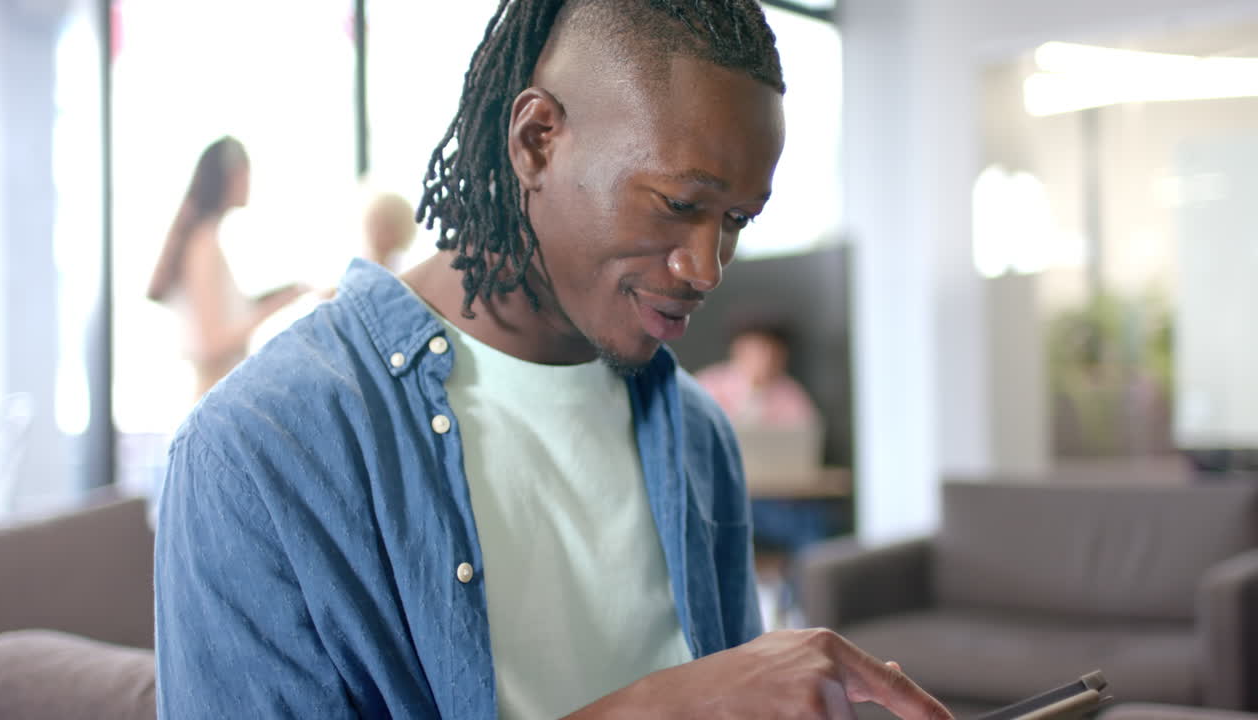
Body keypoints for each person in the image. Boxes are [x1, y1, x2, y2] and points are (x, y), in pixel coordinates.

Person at [155, 3, 952, 719]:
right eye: (680, 204)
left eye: (736, 219)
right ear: (537, 140)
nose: (708, 268)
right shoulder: (259, 451)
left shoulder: (698, 435)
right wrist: (668, 704)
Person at [146, 136, 308, 399]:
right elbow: (211, 343)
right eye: (246, 174)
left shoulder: (206, 240)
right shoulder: (203, 244)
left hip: (216, 395)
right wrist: (272, 308)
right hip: (212, 396)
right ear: (231, 176)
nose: (250, 184)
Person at [697, 320, 819, 427]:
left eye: (774, 352)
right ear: (738, 348)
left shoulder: (791, 395)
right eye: (758, 349)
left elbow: (806, 437)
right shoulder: (709, 385)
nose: (767, 359)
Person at [362, 191, 418, 272]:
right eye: (374, 223)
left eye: (386, 227)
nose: (377, 233)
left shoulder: (404, 276)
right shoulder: (355, 271)